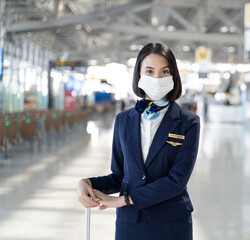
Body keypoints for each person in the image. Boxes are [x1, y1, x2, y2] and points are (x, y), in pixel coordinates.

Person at [77, 42, 200, 240]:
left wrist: (124, 200)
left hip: (170, 223)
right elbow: (120, 176)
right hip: (130, 224)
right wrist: (88, 183)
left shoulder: (188, 122)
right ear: (139, 75)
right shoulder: (124, 120)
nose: (157, 78)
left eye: (164, 71)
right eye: (149, 71)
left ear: (173, 76)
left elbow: (176, 180)